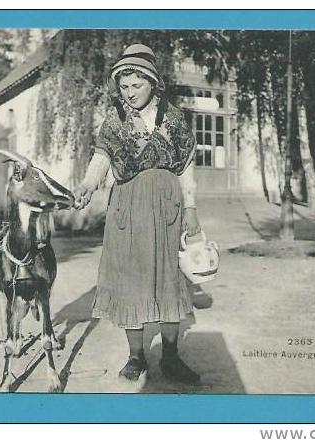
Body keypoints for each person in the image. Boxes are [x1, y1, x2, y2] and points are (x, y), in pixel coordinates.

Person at [74, 44, 202, 385]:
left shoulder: (173, 119)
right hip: (127, 207)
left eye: (137, 86)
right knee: (131, 278)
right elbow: (102, 156)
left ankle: (171, 358)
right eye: (125, 87)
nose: (130, 94)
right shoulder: (115, 119)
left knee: (169, 280)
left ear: (152, 83)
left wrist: (191, 210)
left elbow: (186, 166)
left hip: (167, 207)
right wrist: (87, 184)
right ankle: (136, 356)